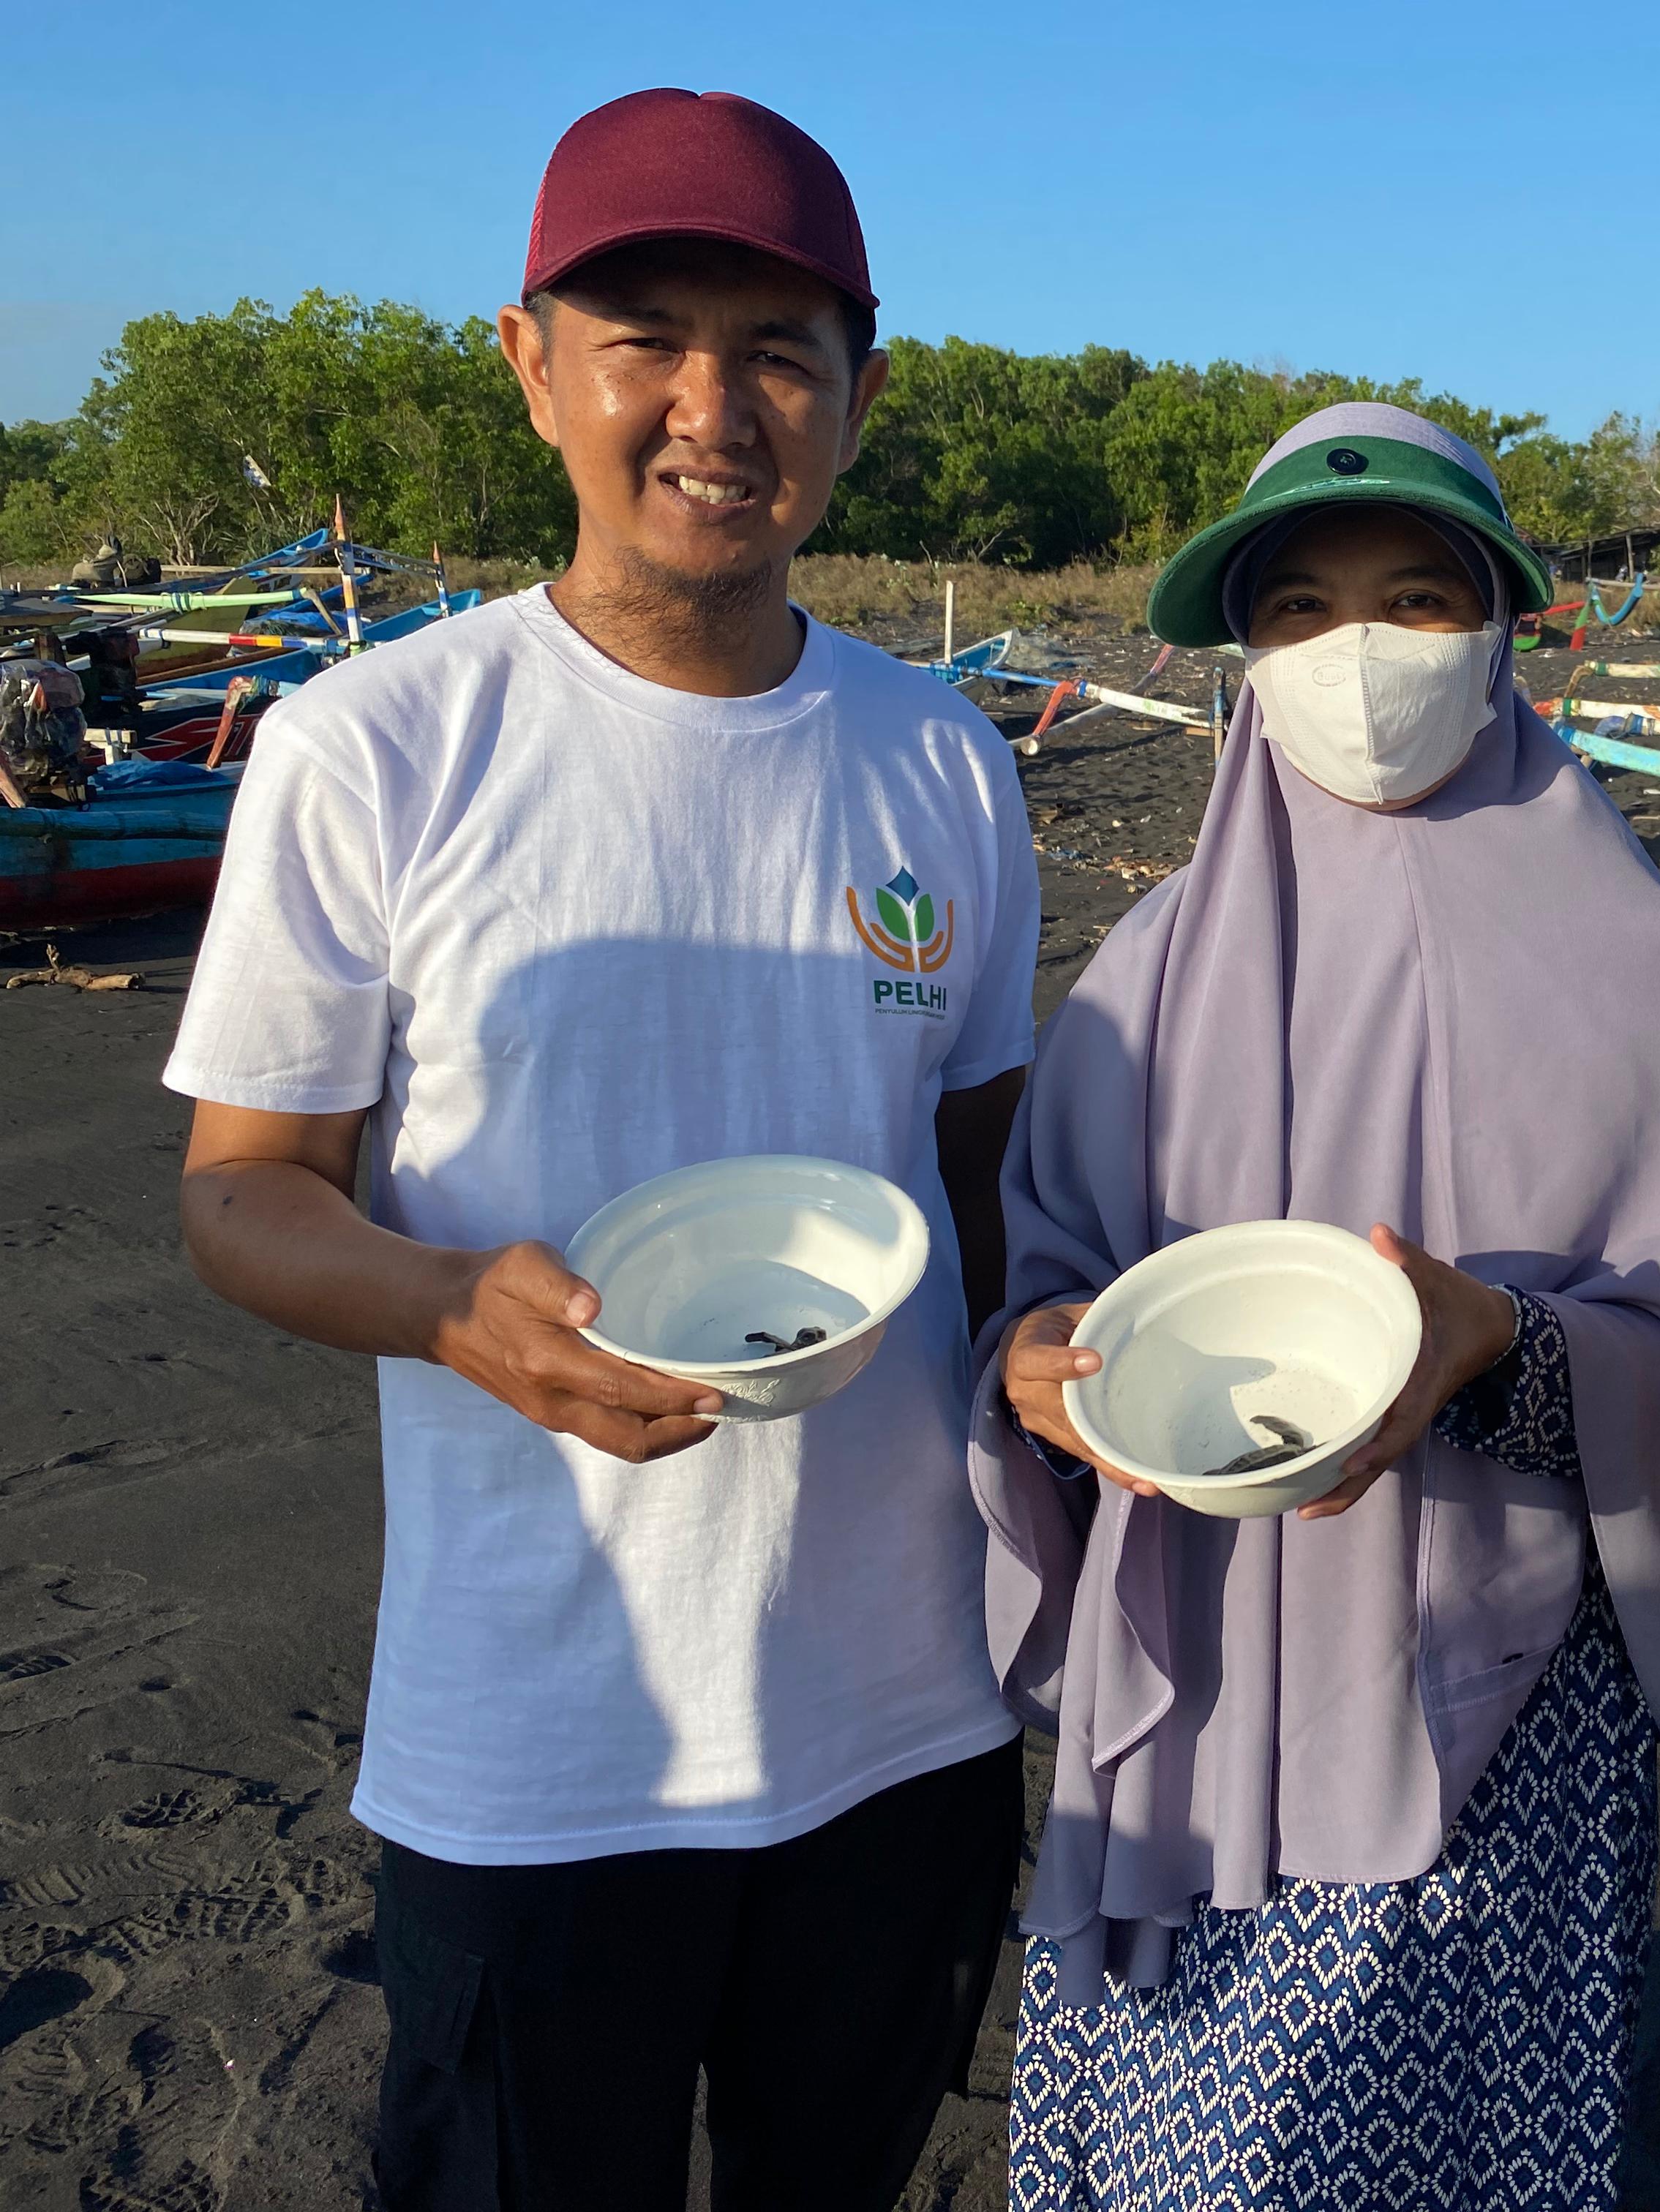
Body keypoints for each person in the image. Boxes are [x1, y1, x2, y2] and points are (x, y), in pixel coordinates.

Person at [163, 91, 1037, 2210]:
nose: (713, 407)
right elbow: (244, 1188)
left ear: (861, 390)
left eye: (780, 351)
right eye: (647, 332)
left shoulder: (943, 763)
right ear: (530, 356)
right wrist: (450, 1304)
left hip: (903, 1717)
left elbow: (987, 1188)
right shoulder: (372, 747)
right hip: (545, 1739)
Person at [975, 402, 1660, 2208]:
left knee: (1457, 2138)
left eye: (1417, 598)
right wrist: (1032, 1374)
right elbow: (1045, 1289)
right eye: (1300, 610)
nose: (1359, 657)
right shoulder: (1148, 965)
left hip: (1498, 1706)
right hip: (1201, 1668)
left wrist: (1504, 1341)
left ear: (1502, 626)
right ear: (1246, 659)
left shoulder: (1628, 949)